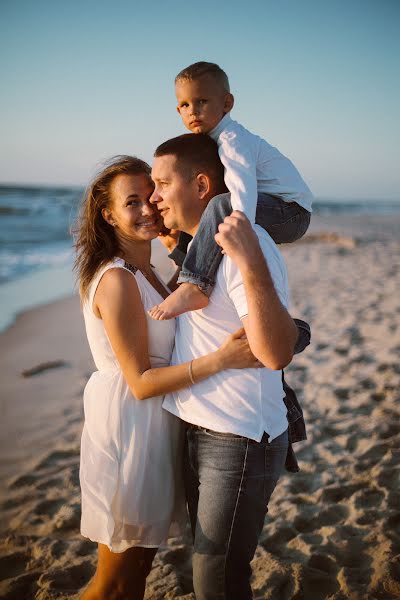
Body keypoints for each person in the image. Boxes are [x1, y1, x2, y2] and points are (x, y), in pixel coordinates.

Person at [73, 155, 263, 600]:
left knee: (138, 567)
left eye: (151, 196)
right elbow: (138, 380)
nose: (147, 209)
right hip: (129, 427)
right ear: (109, 215)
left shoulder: (152, 273)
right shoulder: (118, 280)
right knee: (116, 580)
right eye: (131, 202)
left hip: (155, 423)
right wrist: (221, 360)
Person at [150, 134, 299, 599]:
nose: (154, 198)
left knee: (216, 579)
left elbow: (276, 353)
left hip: (236, 437)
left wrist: (250, 257)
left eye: (160, 184)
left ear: (200, 185)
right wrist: (178, 248)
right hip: (201, 427)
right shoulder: (204, 248)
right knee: (215, 568)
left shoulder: (241, 246)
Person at [149, 61, 313, 321]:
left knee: (220, 204)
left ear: (227, 103)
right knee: (198, 209)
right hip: (273, 207)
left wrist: (239, 233)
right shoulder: (212, 141)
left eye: (202, 101)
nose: (193, 111)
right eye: (184, 105)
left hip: (291, 212)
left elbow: (242, 189)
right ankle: (184, 264)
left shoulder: (231, 140)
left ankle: (195, 283)